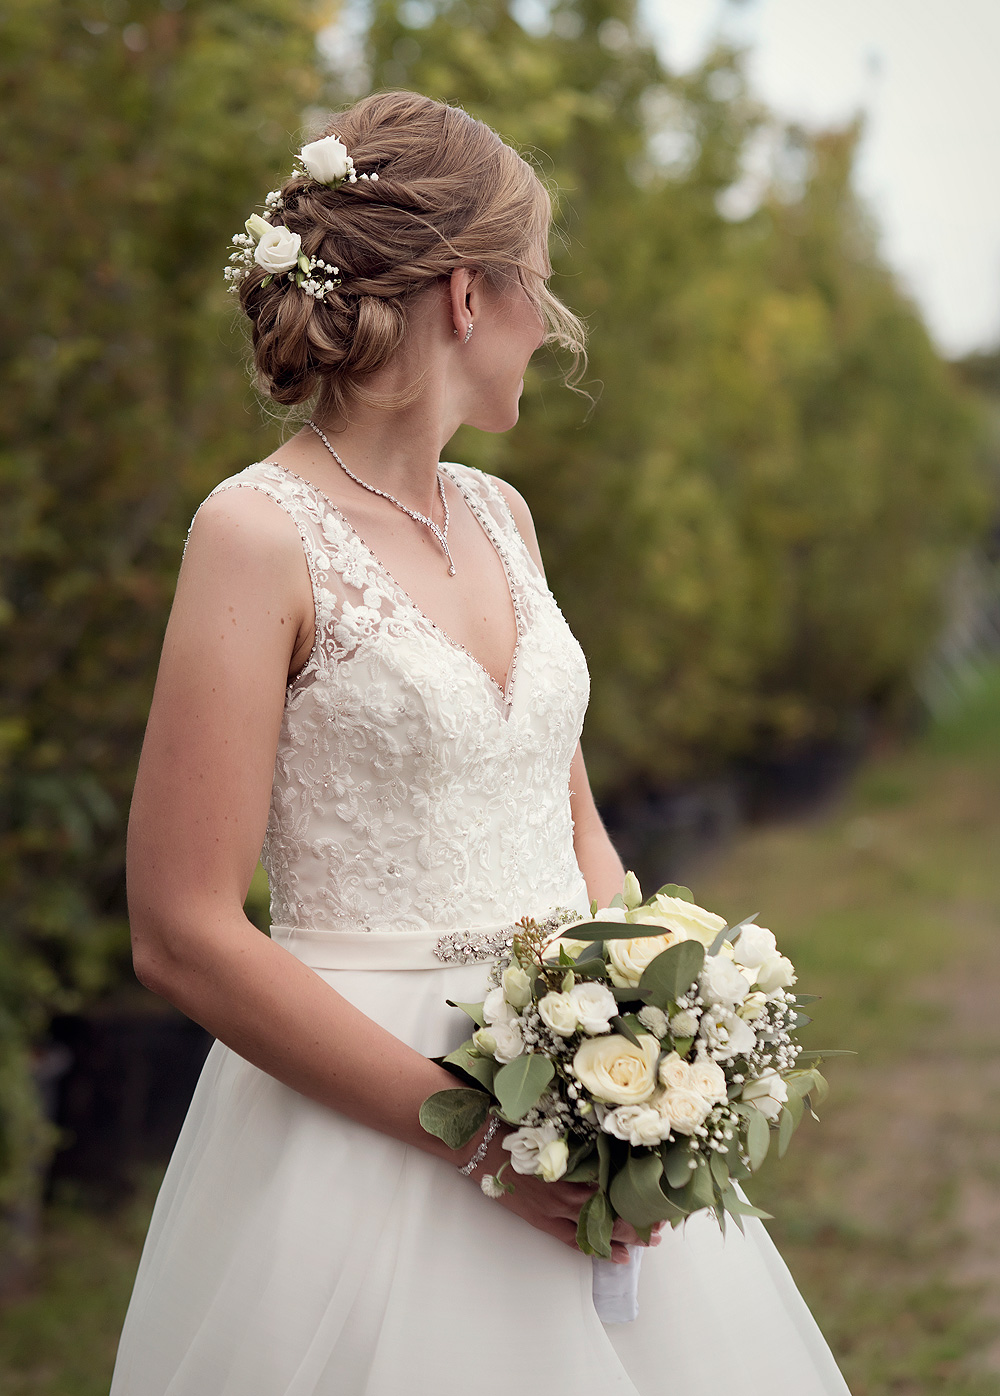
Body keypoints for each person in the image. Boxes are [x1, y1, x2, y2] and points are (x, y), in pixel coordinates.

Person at [111, 90, 850, 1394]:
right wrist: (475, 1143)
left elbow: (567, 823)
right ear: (468, 296)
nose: (552, 325)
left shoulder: (504, 516)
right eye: (540, 286)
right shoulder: (255, 532)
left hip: (574, 1079)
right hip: (365, 1126)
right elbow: (182, 929)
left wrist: (657, 1037)